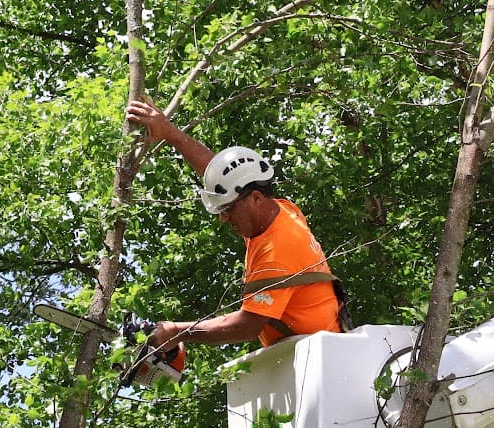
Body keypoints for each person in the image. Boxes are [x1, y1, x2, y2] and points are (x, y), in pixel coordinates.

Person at [125, 97, 344, 351]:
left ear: (256, 199)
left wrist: (175, 331)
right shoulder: (277, 211)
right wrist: (171, 133)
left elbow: (246, 326)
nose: (223, 217)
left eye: (228, 209)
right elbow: (222, 174)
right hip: (305, 350)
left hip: (319, 358)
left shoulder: (278, 251)